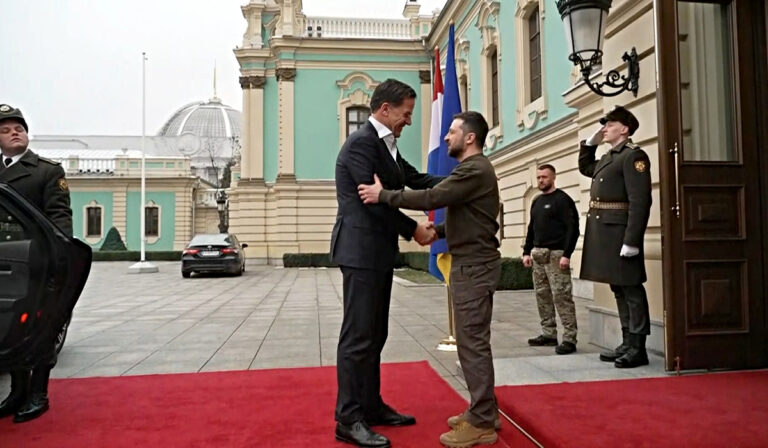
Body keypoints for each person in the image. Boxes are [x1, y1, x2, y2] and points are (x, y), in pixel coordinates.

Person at [358, 111, 501, 448]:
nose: (445, 137)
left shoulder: (475, 168)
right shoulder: (474, 171)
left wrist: (385, 196)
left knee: (473, 345)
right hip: (472, 263)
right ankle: (485, 411)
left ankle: (481, 423)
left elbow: (432, 197)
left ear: (470, 138)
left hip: (474, 267)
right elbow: (471, 219)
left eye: (451, 132)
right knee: (471, 343)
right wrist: (436, 230)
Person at [331, 79, 443, 447]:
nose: (408, 121)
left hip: (377, 254)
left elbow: (414, 180)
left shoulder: (387, 146)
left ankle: (372, 405)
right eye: (406, 113)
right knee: (358, 336)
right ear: (384, 110)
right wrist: (414, 229)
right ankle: (348, 418)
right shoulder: (362, 145)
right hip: (360, 252)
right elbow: (374, 202)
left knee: (376, 334)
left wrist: (466, 179)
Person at [0, 104, 73, 422]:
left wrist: (58, 261)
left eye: (19, 127)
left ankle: (38, 394)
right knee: (10, 329)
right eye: (5, 129)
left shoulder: (46, 171)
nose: (15, 131)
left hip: (34, 265)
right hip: (4, 267)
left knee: (40, 329)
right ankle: (17, 393)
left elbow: (60, 219)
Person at [578, 105, 652, 368]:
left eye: (609, 125)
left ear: (624, 128)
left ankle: (638, 347)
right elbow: (586, 167)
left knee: (631, 288)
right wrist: (590, 143)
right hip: (606, 232)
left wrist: (632, 240)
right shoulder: (611, 157)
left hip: (621, 233)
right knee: (618, 287)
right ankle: (626, 341)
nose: (604, 129)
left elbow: (640, 201)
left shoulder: (633, 156)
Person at [522, 164, 580, 355]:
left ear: (553, 177)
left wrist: (567, 254)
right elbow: (532, 228)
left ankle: (570, 338)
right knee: (542, 295)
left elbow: (573, 229)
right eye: (538, 177)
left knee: (562, 296)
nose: (541, 181)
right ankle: (549, 333)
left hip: (556, 255)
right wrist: (526, 251)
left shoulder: (563, 200)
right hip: (538, 255)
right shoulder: (537, 201)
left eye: (544, 177)